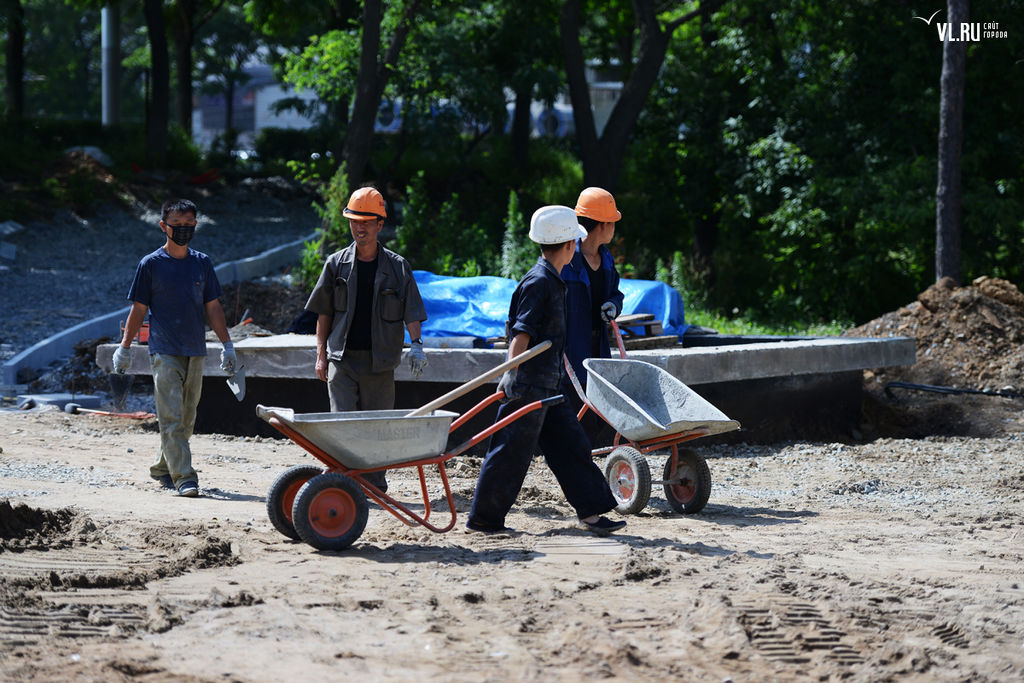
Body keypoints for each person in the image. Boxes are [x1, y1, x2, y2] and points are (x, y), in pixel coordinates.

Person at [467, 205, 626, 536]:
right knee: (510, 453)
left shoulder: (553, 279)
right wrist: (510, 374)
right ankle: (484, 519)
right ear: (569, 245)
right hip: (527, 385)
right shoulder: (539, 281)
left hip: (550, 385)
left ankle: (592, 513)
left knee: (572, 446)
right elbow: (521, 332)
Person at [304, 186, 428, 493]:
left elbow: (411, 309)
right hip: (342, 360)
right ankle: (341, 483)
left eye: (366, 221)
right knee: (342, 426)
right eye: (354, 221)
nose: (359, 227)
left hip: (380, 362)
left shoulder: (397, 267)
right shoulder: (336, 264)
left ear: (379, 225)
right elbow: (324, 314)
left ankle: (373, 484)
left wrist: (416, 346)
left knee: (377, 427)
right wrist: (321, 355)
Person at [113, 198, 236, 498]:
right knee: (171, 418)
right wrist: (125, 347)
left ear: (196, 225)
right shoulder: (151, 265)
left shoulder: (202, 263)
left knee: (186, 418)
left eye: (188, 225)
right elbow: (139, 310)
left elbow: (213, 307)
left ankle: (161, 467)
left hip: (195, 350)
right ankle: (184, 478)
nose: (182, 230)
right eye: (176, 225)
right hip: (163, 350)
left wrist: (228, 345)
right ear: (163, 226)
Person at [561, 187, 624, 390]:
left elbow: (615, 293)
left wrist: (614, 304)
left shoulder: (606, 260)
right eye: (612, 222)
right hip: (570, 356)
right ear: (603, 225)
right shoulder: (567, 261)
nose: (614, 228)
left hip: (599, 350)